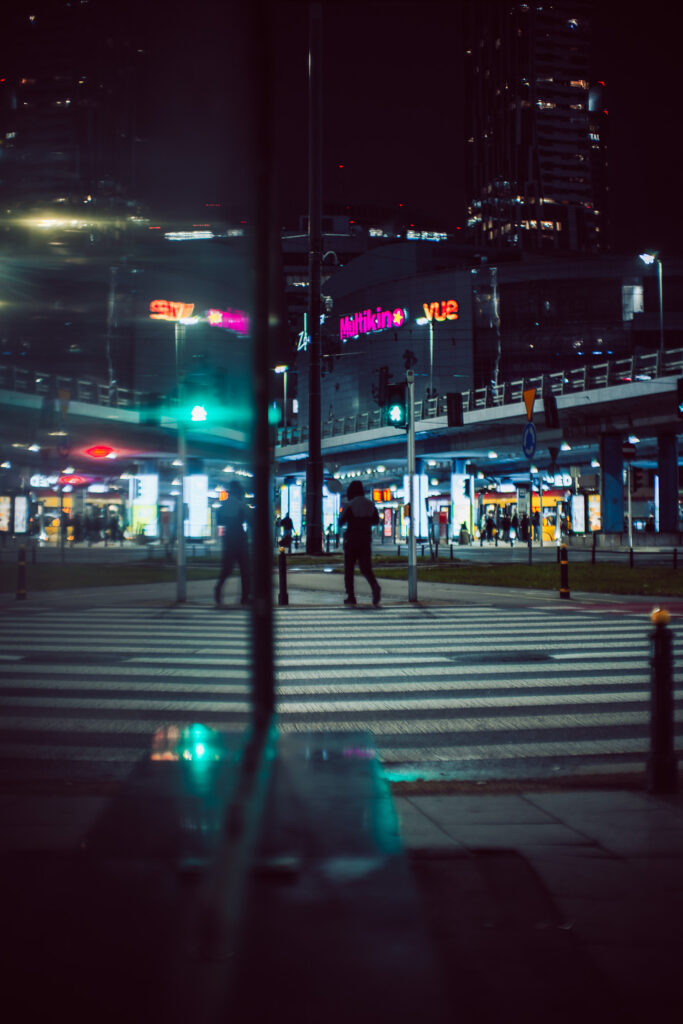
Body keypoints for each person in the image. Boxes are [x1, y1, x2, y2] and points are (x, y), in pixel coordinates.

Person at [339, 480, 381, 606]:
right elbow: (376, 520)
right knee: (366, 568)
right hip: (365, 539)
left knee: (349, 569)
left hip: (352, 539)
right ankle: (374, 586)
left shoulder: (349, 505)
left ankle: (351, 596)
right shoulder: (370, 504)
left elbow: (341, 521)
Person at [214, 480, 250, 606]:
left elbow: (219, 522)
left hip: (228, 539)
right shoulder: (241, 505)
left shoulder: (223, 506)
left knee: (227, 569)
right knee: (245, 570)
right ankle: (245, 597)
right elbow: (249, 520)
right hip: (240, 540)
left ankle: (218, 589)